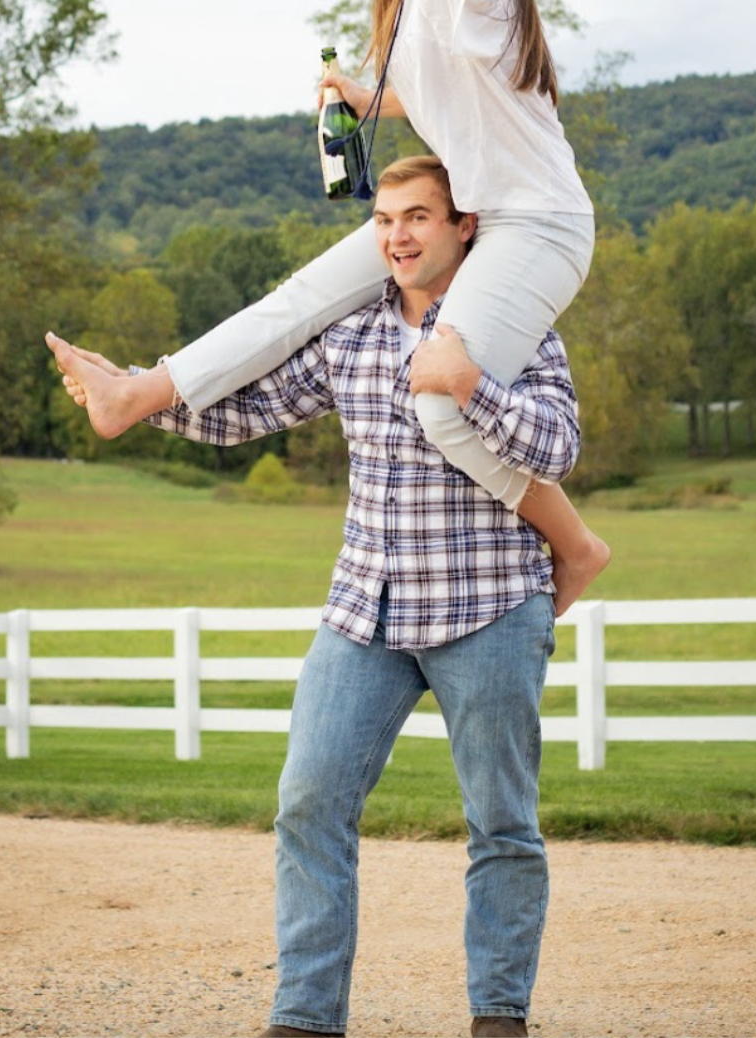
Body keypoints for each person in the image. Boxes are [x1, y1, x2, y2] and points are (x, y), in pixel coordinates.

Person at [48, 0, 608, 613]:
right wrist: (364, 93)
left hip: (536, 225)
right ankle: (134, 393)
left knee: (438, 403)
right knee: (299, 298)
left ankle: (575, 546)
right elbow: (442, 99)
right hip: (477, 217)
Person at [51, 154, 580, 1038]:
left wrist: (469, 386)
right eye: (383, 220)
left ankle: (499, 1015)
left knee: (501, 822)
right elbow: (249, 407)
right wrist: (138, 398)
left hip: (487, 608)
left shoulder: (517, 328)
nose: (396, 235)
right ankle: (304, 1019)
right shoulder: (353, 332)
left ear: (464, 229)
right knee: (309, 802)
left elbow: (558, 449)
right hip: (364, 613)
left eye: (416, 217)